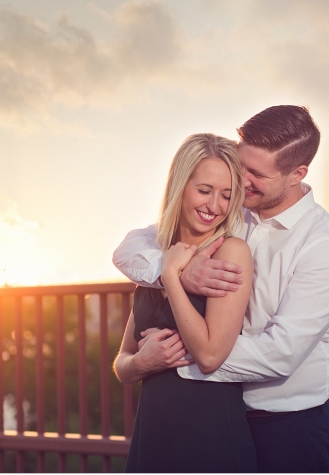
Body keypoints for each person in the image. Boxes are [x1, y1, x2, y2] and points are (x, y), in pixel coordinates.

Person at [113, 105, 329, 472]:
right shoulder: (231, 206)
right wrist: (170, 274)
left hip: (291, 427)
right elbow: (134, 246)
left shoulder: (324, 247)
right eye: (242, 165)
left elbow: (280, 353)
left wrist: (183, 353)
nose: (242, 180)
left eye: (256, 174)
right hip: (225, 413)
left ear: (297, 174)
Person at [112, 133, 257, 472]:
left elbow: (209, 356)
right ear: (180, 186)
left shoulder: (231, 252)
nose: (214, 206)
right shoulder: (155, 256)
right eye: (204, 191)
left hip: (209, 437)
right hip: (153, 435)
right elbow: (122, 361)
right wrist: (141, 364)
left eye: (227, 195)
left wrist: (172, 277)